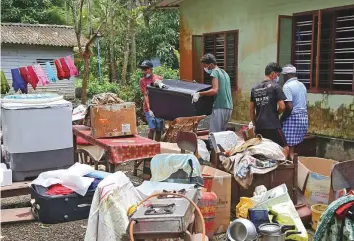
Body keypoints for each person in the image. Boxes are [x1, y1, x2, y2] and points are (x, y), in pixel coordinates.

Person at [249, 62, 289, 157]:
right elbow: (282, 106)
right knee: (285, 148)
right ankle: (282, 168)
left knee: (263, 150)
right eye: (278, 75)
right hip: (273, 125)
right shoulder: (276, 87)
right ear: (273, 74)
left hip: (260, 126)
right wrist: (277, 113)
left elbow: (251, 110)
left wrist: (255, 124)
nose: (278, 78)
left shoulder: (254, 88)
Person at [192, 53, 233, 135]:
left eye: (204, 66)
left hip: (220, 107)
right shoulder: (224, 73)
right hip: (229, 107)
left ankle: (213, 148)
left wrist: (199, 94)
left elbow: (214, 90)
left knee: (213, 135)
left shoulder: (214, 72)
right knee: (221, 134)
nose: (204, 68)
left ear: (210, 65)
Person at [280, 64, 308, 161]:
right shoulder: (302, 85)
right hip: (303, 118)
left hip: (293, 119)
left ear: (286, 75)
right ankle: (295, 167)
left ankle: (292, 170)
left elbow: (289, 107)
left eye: (283, 76)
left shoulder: (287, 86)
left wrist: (282, 119)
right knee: (294, 147)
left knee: (288, 148)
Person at [139, 60, 163, 140]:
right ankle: (150, 146)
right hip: (148, 108)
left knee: (159, 129)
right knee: (152, 128)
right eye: (143, 69)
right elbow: (145, 95)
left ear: (151, 69)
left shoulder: (158, 78)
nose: (145, 71)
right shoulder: (142, 81)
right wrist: (149, 109)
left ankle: (158, 145)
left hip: (159, 108)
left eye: (146, 69)